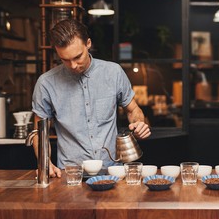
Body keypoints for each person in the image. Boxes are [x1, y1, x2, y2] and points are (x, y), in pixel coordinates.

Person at [31, 19, 151, 178]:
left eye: (77, 57)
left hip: (113, 172)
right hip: (71, 175)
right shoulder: (46, 83)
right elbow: (39, 131)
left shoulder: (113, 72)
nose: (73, 65)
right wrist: (45, 162)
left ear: (88, 43)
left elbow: (133, 109)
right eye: (65, 60)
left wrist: (138, 123)